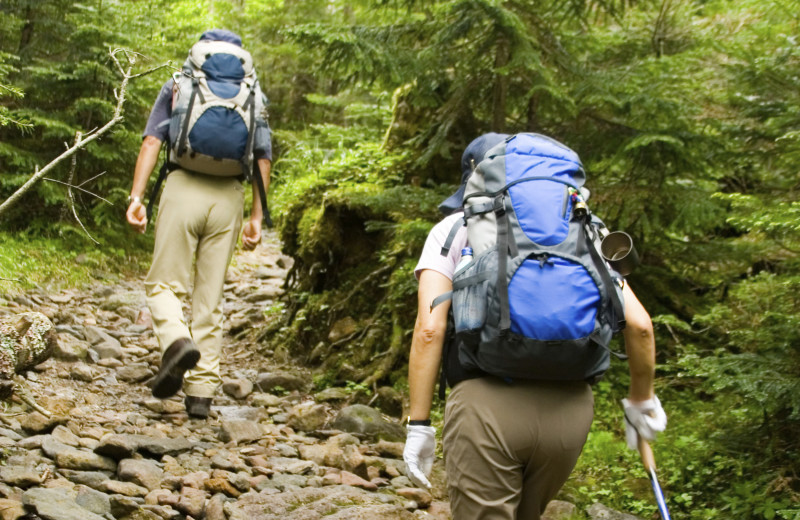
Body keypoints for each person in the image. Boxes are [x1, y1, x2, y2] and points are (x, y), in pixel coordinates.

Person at [403, 133, 667, 519]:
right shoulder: (583, 228)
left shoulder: (454, 229)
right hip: (570, 410)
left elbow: (430, 330)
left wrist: (419, 425)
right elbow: (641, 326)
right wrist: (642, 402)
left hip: (484, 407)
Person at [125, 29, 272, 419]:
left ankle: (175, 342)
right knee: (210, 297)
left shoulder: (180, 83)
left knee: (163, 284)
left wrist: (137, 198)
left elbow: (151, 142)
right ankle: (202, 394)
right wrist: (257, 217)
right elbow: (262, 158)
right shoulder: (253, 92)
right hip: (228, 198)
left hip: (182, 186)